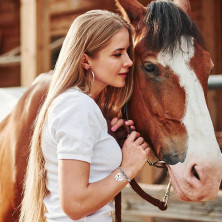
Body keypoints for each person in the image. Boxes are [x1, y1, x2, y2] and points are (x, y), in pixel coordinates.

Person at [19, 10, 150, 222]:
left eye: (127, 52)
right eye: (117, 54)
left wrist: (106, 138)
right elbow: (75, 205)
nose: (129, 62)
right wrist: (127, 169)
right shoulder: (77, 106)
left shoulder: (78, 105)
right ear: (85, 60)